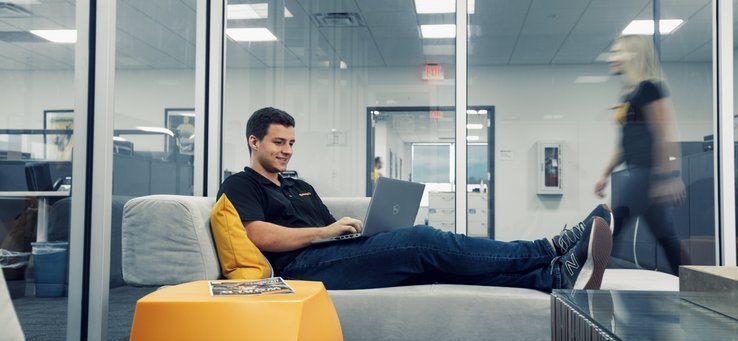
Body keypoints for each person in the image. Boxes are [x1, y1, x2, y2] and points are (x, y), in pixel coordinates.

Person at [218, 107, 614, 292]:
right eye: (278, 142)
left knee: (434, 262)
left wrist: (353, 231)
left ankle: (551, 277)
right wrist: (325, 231)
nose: (286, 151)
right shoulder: (241, 184)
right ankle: (548, 248)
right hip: (300, 268)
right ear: (254, 141)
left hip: (331, 254)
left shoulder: (296, 184)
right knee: (423, 240)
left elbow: (327, 229)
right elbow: (258, 236)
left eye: (291, 143)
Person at [594, 35, 687, 275]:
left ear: (633, 56)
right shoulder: (629, 95)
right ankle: (699, 285)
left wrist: (668, 177)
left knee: (610, 230)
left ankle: (592, 280)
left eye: (618, 53)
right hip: (636, 171)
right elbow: (623, 145)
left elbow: (664, 133)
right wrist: (604, 174)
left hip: (645, 174)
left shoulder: (650, 88)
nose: (612, 58)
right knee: (666, 237)